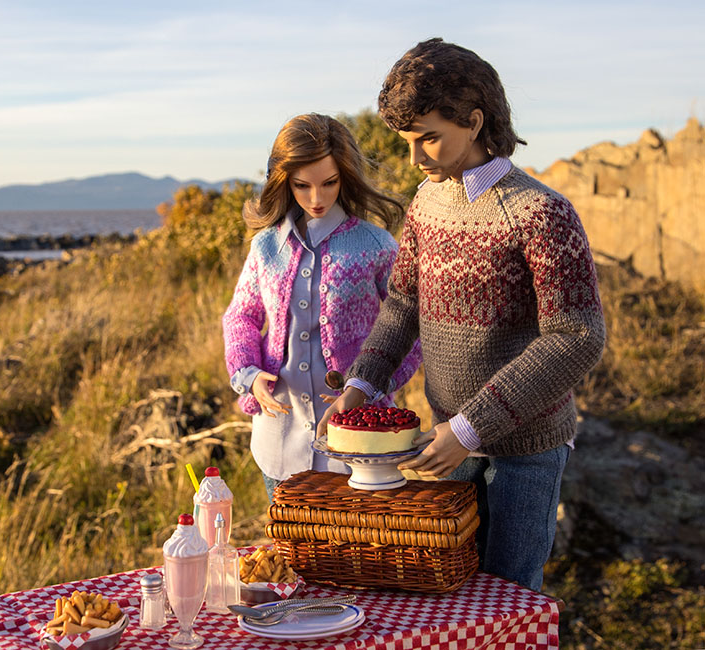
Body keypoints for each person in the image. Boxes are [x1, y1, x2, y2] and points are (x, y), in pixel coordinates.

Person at [318, 39, 606, 592]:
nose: (415, 158)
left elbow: (576, 338)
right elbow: (402, 305)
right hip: (446, 446)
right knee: (450, 590)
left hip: (525, 451)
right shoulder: (427, 203)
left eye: (429, 137)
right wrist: (360, 384)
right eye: (407, 141)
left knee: (508, 597)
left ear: (473, 122)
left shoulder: (541, 212)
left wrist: (472, 427)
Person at [222, 113, 423, 502]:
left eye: (329, 183)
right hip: (280, 437)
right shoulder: (267, 246)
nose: (317, 198)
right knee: (291, 557)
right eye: (302, 186)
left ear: (345, 176)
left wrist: (370, 387)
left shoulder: (375, 246)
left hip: (360, 443)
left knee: (358, 556)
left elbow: (409, 329)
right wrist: (248, 373)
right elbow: (241, 316)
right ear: (285, 182)